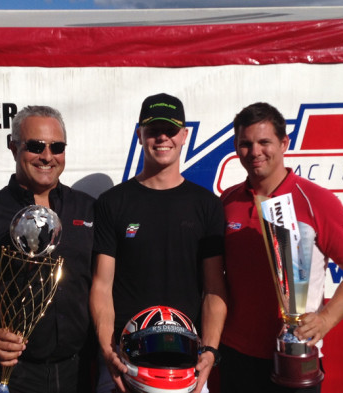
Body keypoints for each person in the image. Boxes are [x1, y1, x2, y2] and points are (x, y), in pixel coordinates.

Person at [0, 105, 95, 393]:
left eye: (56, 147)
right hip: (13, 376)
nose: (47, 156)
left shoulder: (89, 209)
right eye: (35, 146)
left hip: (81, 372)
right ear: (13, 147)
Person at [219, 102, 343, 393]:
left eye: (265, 142)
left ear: (284, 143)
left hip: (295, 356)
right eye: (245, 144)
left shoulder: (315, 200)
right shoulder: (227, 202)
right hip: (236, 354)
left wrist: (325, 320)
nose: (255, 152)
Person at [90, 93, 228, 393]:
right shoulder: (112, 203)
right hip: (124, 360)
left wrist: (211, 351)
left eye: (171, 129)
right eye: (153, 130)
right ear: (140, 135)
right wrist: (107, 349)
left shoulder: (207, 205)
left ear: (184, 135)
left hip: (184, 363)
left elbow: (214, 289)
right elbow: (102, 285)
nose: (162, 137)